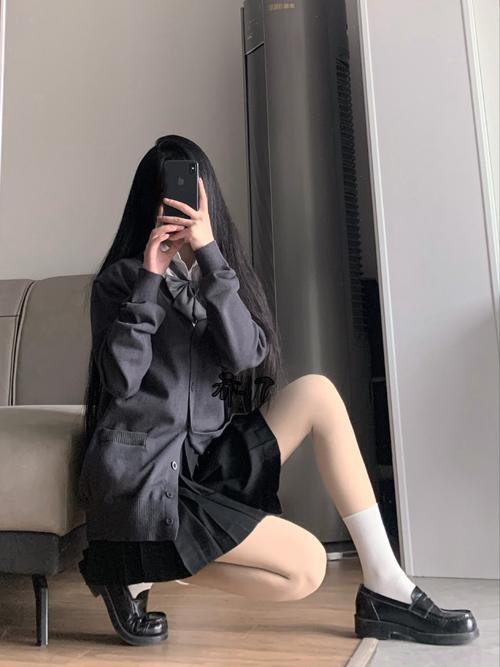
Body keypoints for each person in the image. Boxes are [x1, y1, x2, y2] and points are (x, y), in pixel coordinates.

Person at [77, 134, 479, 648]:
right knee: (306, 568)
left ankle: (387, 585)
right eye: (166, 198)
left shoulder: (214, 275)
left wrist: (210, 256)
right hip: (151, 475)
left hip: (205, 463)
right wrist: (150, 280)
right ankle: (134, 565)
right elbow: (120, 379)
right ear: (148, 206)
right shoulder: (121, 282)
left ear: (206, 202)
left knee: (317, 393)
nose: (178, 209)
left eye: (189, 197)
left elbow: (246, 355)